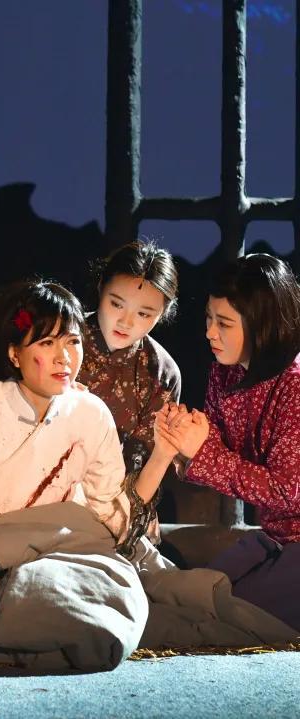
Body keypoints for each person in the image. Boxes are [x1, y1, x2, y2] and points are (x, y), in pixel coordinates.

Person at [0, 279, 177, 573]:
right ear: (14, 354)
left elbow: (111, 515)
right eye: (47, 343)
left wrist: (163, 453)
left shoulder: (92, 414)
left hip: (56, 553)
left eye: (73, 342)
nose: (64, 358)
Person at [158, 253, 300, 632]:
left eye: (224, 323)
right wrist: (183, 440)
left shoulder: (294, 385)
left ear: (262, 324)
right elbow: (215, 454)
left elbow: (286, 490)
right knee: (195, 592)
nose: (210, 332)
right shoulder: (225, 372)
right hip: (274, 538)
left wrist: (202, 451)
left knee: (225, 612)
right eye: (209, 318)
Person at [77, 240, 181, 540]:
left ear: (163, 313)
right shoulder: (62, 340)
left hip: (120, 504)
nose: (126, 322)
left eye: (144, 314)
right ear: (101, 288)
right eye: (116, 304)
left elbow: (143, 464)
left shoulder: (161, 373)